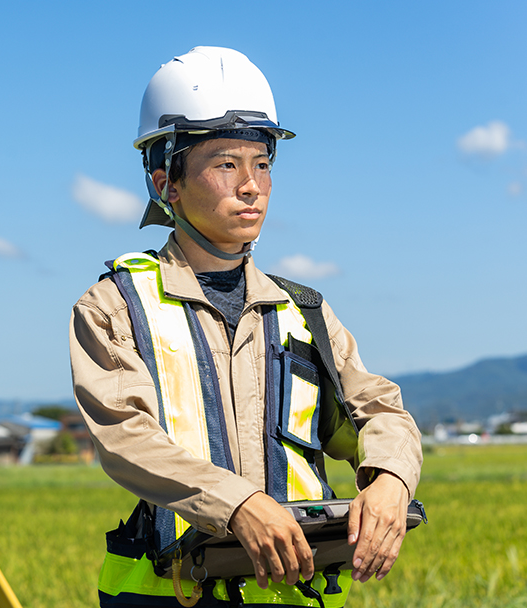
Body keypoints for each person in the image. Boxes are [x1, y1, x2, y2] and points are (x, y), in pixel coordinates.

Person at [69, 47, 422, 607]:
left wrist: (390, 482)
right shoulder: (116, 305)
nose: (252, 185)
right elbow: (124, 437)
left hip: (291, 592)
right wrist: (235, 503)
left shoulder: (301, 309)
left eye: (262, 163)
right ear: (167, 182)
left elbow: (378, 410)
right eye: (226, 164)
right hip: (168, 593)